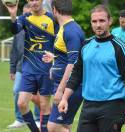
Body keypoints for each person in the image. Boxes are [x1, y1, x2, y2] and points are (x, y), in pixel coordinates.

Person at [58, 4, 125, 132]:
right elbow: (76, 74)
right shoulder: (85, 45)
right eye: (94, 21)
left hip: (113, 106)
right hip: (88, 106)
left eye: (102, 21)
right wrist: (64, 98)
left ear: (110, 21)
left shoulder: (120, 47)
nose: (98, 25)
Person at [4, 0, 58, 131]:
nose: (34, 2)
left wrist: (54, 56)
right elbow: (14, 30)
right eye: (31, 0)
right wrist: (13, 15)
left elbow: (59, 41)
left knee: (45, 106)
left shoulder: (52, 18)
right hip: (28, 68)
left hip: (46, 68)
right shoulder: (25, 18)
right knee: (21, 103)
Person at [42, 0, 84, 131]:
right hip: (63, 84)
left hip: (68, 87)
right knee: (65, 126)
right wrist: (54, 59)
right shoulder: (64, 28)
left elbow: (73, 62)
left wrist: (61, 91)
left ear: (54, 9)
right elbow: (66, 56)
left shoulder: (71, 30)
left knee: (53, 127)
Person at [7, 3, 40, 129]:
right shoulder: (18, 31)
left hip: (35, 67)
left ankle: (37, 118)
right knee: (16, 91)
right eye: (24, 14)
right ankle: (19, 119)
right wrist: (12, 69)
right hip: (21, 68)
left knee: (36, 94)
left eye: (28, 13)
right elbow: (14, 51)